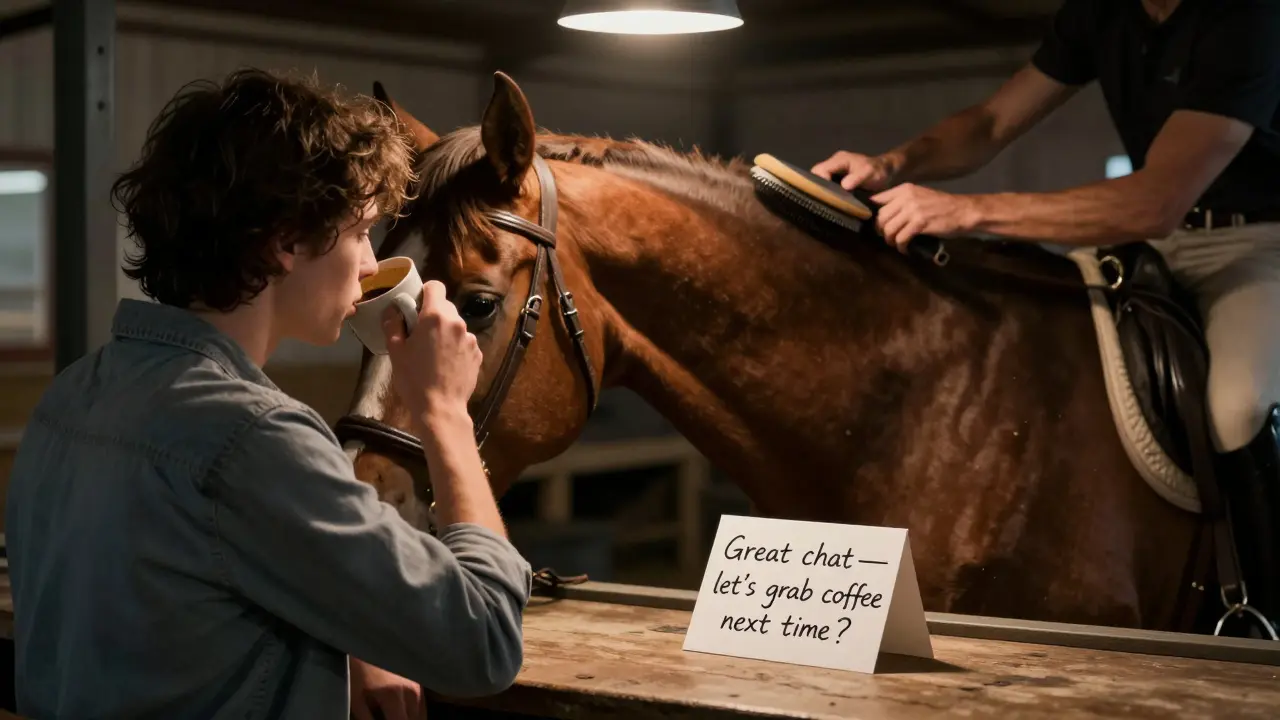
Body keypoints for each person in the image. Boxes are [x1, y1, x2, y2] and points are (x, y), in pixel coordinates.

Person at [4, 68, 532, 719]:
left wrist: (353, 640)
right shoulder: (252, 439)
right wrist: (445, 412)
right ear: (285, 242)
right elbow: (481, 641)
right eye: (361, 230)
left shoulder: (73, 398)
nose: (371, 265)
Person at [812, 0, 1279, 634]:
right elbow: (989, 122)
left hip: (1256, 242)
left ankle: (1255, 604)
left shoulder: (1249, 18)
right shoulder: (1102, 13)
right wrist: (890, 165)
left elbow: (1156, 200)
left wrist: (966, 212)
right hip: (1151, 246)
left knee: (1239, 405)